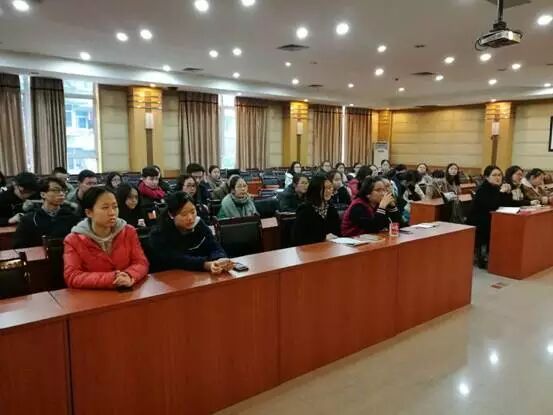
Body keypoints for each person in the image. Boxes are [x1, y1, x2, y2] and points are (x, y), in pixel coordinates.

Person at [63, 187, 149, 289]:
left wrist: (129, 275)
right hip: (92, 295)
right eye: (105, 207)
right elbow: (72, 276)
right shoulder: (73, 240)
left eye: (115, 207)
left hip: (127, 291)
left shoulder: (128, 231)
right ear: (89, 212)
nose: (112, 212)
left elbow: (141, 262)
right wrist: (112, 278)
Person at [148, 192, 233, 273]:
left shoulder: (199, 224)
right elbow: (175, 259)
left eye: (193, 212)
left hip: (201, 275)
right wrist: (204, 265)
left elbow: (214, 246)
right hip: (171, 277)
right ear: (171, 215)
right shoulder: (159, 234)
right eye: (184, 214)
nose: (190, 218)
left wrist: (219, 259)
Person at [467, 165, 525, 269]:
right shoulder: (482, 189)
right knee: (500, 226)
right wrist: (502, 192)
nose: (498, 178)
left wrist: (509, 194)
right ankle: (488, 256)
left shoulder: (497, 187)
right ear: (486, 177)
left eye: (499, 175)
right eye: (494, 175)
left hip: (492, 218)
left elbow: (508, 204)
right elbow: (492, 206)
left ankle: (503, 255)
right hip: (480, 221)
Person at [12, 177, 80, 248]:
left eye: (63, 190)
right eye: (55, 190)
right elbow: (18, 247)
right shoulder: (29, 220)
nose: (61, 194)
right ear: (43, 194)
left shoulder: (72, 217)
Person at [292, 175, 340, 246]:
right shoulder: (305, 210)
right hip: (310, 249)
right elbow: (298, 238)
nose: (328, 191)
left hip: (331, 247)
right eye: (324, 188)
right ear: (316, 190)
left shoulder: (331, 208)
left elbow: (337, 231)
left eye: (330, 187)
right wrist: (322, 238)